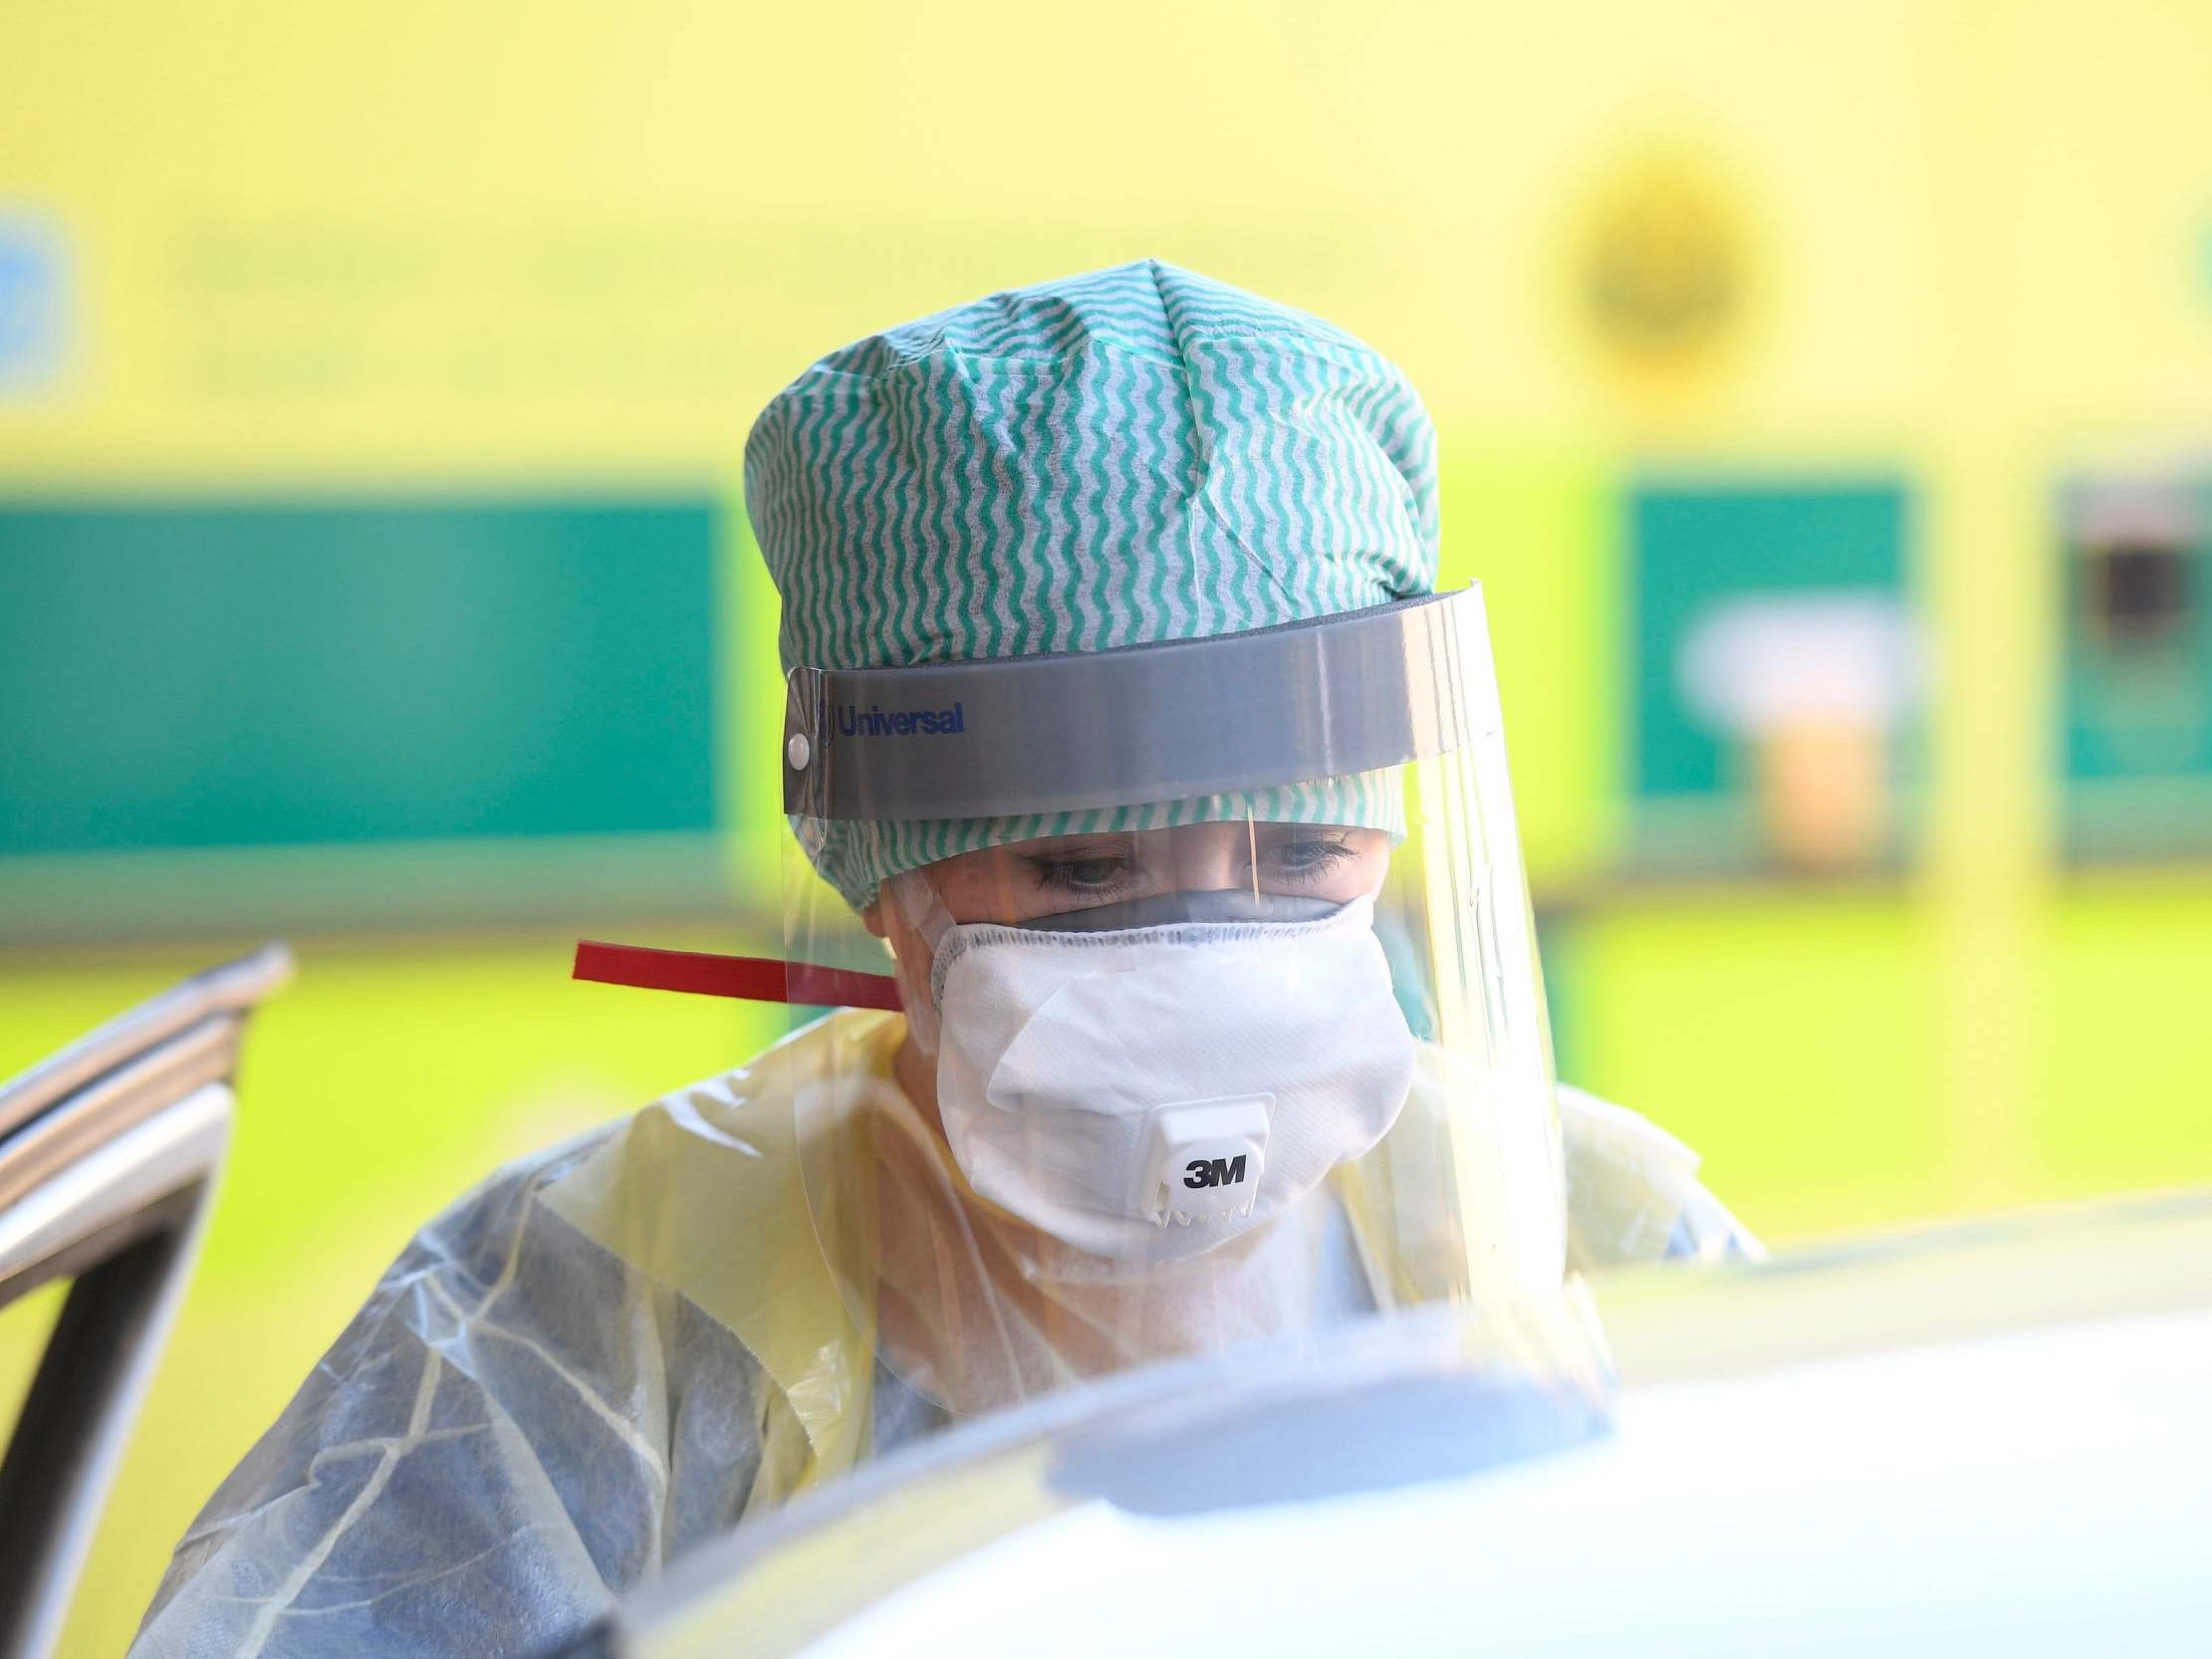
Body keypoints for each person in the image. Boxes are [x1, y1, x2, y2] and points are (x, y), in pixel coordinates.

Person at [128, 260, 1756, 1659]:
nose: (1211, 956)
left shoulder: (1603, 1261)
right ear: (879, 886)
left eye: (1300, 855)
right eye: (1079, 864)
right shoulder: (603, 1314)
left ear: (1395, 838)